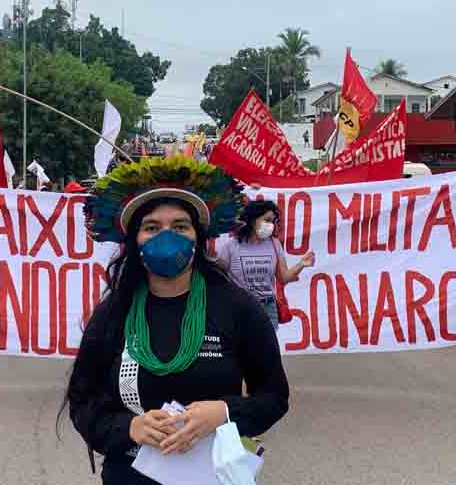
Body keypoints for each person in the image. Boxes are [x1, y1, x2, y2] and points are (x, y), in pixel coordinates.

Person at [62, 156, 289, 484]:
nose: (166, 237)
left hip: (213, 475)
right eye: (152, 227)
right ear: (134, 241)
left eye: (180, 226)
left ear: (198, 237)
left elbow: (273, 397)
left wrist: (223, 413)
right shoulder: (113, 315)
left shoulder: (237, 308)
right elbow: (83, 403)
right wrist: (130, 428)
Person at [216, 200, 315, 331]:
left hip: (268, 308)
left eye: (273, 221)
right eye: (267, 220)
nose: (271, 225)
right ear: (252, 220)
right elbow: (218, 277)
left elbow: (283, 277)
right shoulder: (231, 246)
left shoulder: (274, 244)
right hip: (240, 308)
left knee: (267, 350)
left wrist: (301, 264)